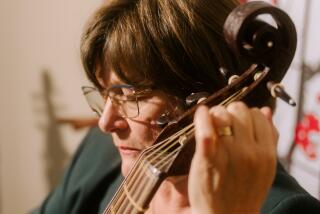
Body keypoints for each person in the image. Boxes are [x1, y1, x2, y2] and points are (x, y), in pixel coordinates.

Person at [34, 0, 320, 213]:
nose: (105, 123)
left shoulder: (288, 209)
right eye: (104, 93)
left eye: (130, 95)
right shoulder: (99, 150)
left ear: (205, 96)